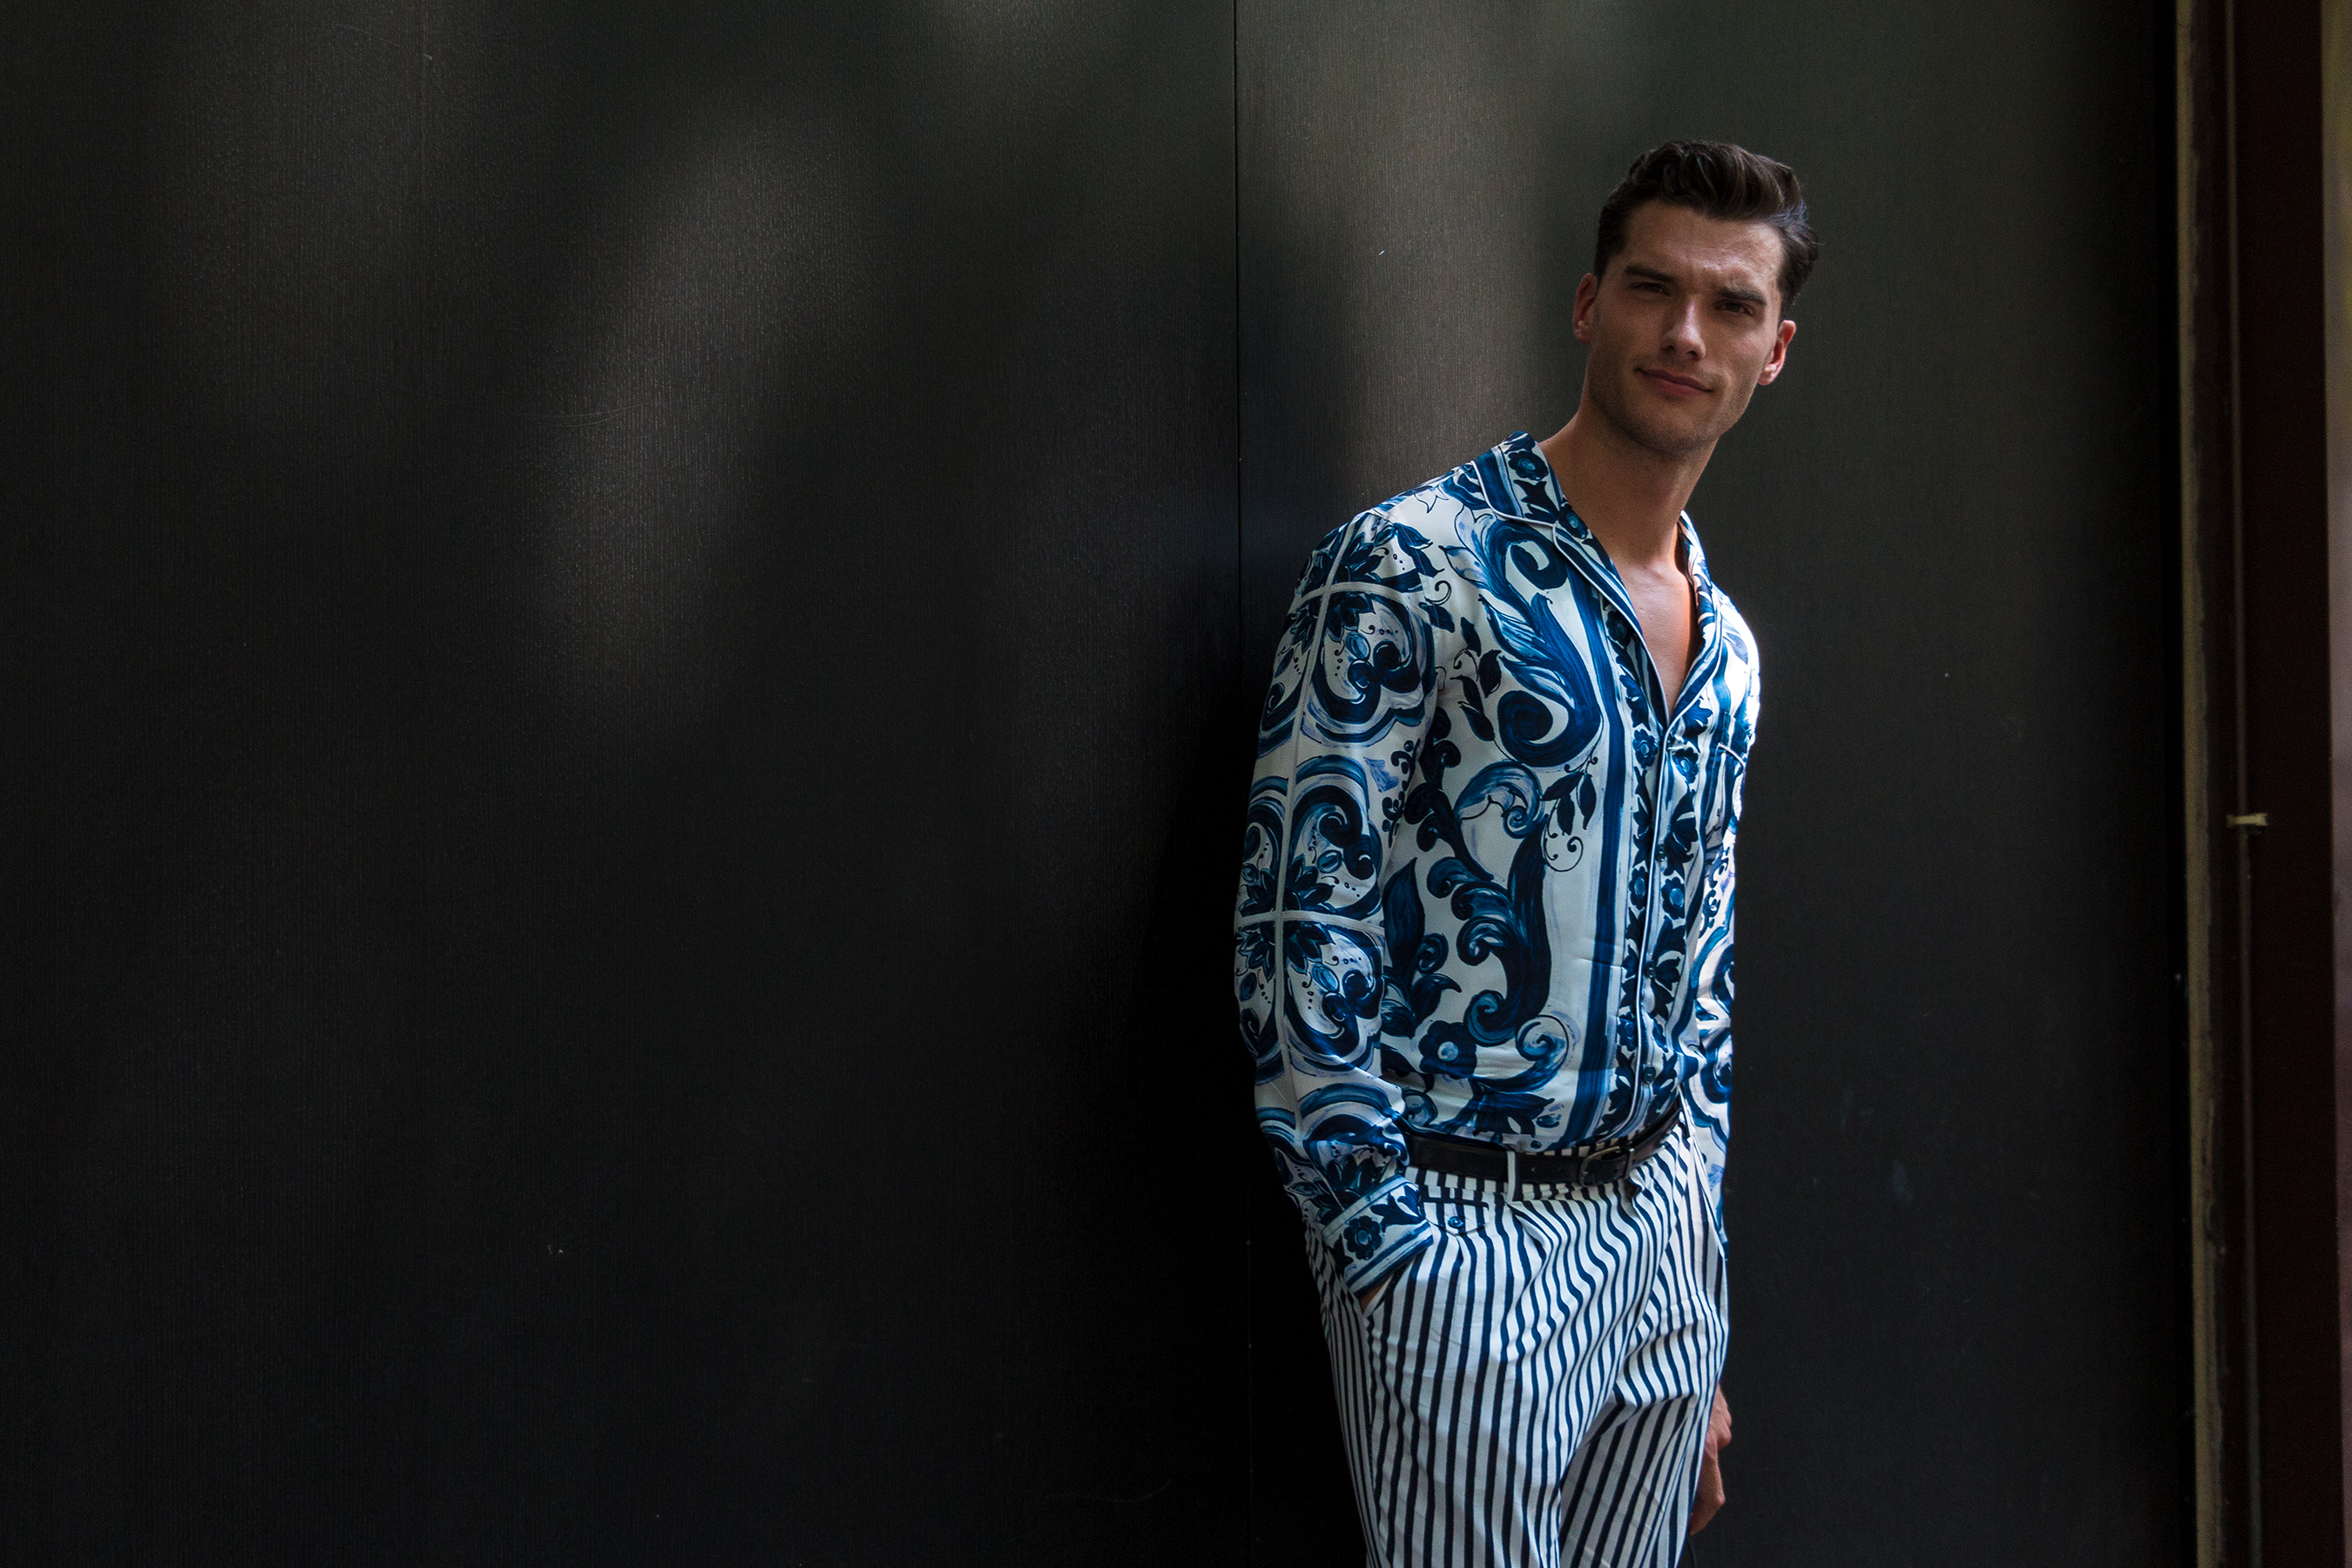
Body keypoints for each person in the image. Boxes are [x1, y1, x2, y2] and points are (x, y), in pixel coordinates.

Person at [1232, 140, 1815, 1567]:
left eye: (1731, 306)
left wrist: (1695, 1295)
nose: (1687, 334)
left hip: (1658, 1257)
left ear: (1776, 350)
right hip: (1457, 1237)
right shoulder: (1412, 563)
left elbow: (1703, 980)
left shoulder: (1729, 652)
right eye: (1652, 289)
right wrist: (1386, 1253)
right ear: (1587, 304)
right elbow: (1298, 920)